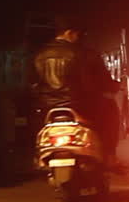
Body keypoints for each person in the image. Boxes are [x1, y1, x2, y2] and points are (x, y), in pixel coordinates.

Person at [33, 16, 122, 168]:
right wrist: (114, 86)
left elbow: (33, 83)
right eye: (77, 34)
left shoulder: (40, 55)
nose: (78, 37)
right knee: (111, 110)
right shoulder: (84, 54)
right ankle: (110, 156)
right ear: (70, 33)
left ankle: (37, 156)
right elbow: (102, 81)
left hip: (48, 107)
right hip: (82, 106)